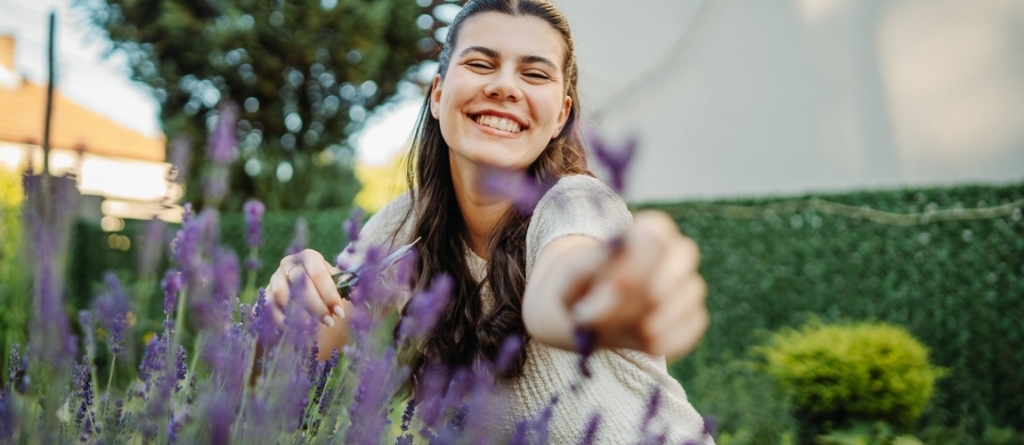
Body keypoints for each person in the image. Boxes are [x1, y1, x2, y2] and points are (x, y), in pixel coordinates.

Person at [264, 0, 712, 442]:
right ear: (438, 95)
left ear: (560, 116)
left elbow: (561, 282)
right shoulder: (405, 223)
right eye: (481, 64)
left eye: (534, 74)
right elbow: (284, 385)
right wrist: (291, 307)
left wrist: (594, 301)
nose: (504, 86)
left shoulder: (576, 201)